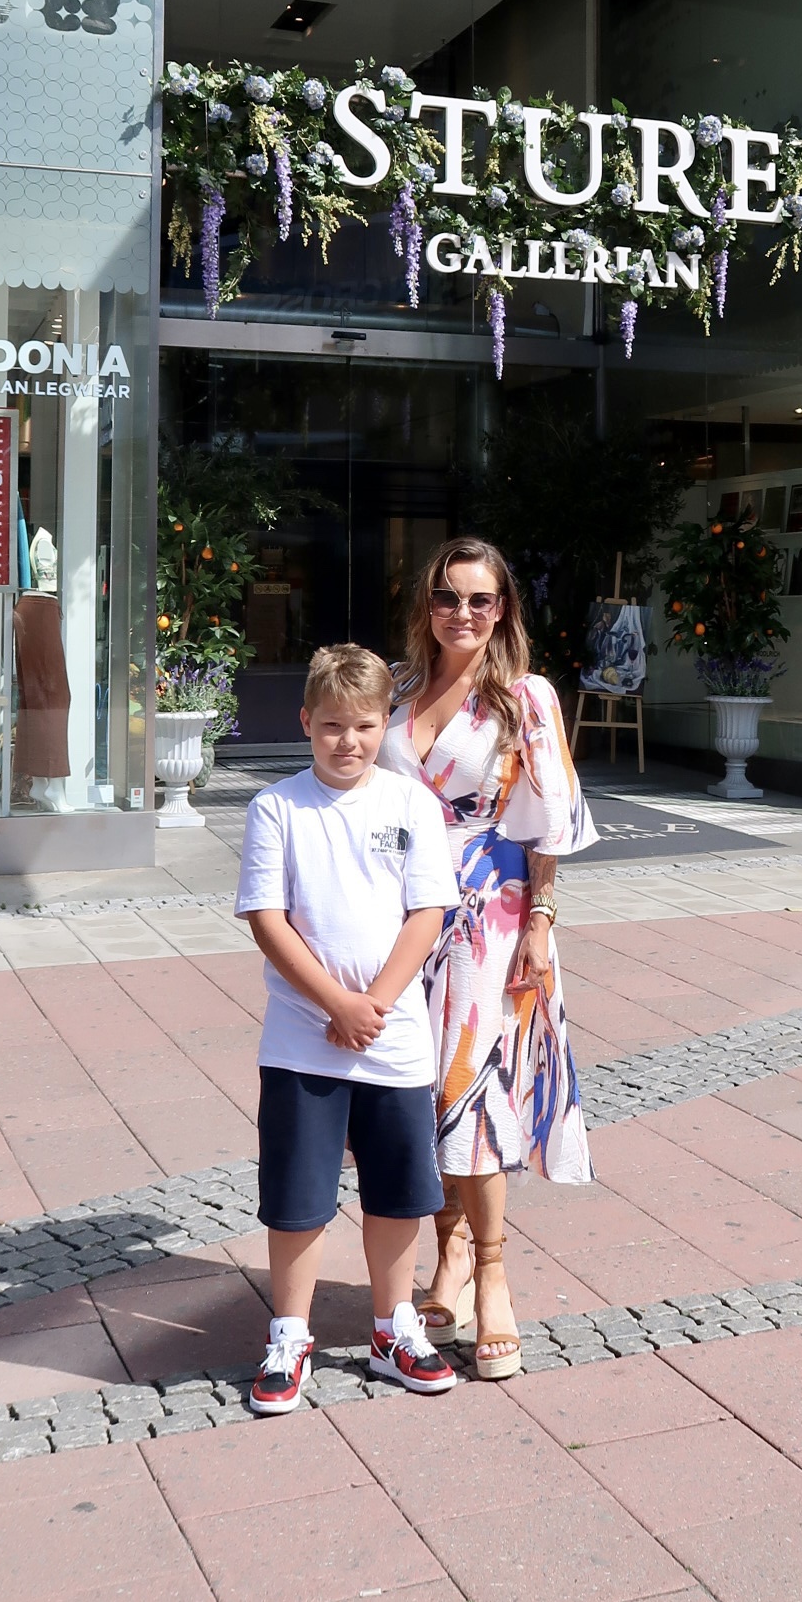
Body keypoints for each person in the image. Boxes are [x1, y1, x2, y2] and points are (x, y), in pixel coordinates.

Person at [380, 538, 595, 1380]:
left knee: (469, 1089)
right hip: (399, 915)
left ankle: (494, 1274)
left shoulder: (523, 697)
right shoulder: (396, 689)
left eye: (480, 599)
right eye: (447, 596)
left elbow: (550, 822)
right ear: (426, 605)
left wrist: (540, 921)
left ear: (502, 609)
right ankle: (451, 1256)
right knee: (417, 1087)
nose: (461, 613)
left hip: (486, 916)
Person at [235, 641, 461, 1415]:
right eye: (332, 725)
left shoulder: (410, 804)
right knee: (297, 1194)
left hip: (393, 1040)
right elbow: (268, 919)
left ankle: (393, 1329)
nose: (348, 741)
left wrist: (375, 1004)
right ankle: (290, 1333)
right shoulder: (277, 808)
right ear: (306, 721)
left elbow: (427, 911)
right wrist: (336, 1003)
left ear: (384, 725)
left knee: (398, 1191)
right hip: (304, 1039)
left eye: (365, 726)